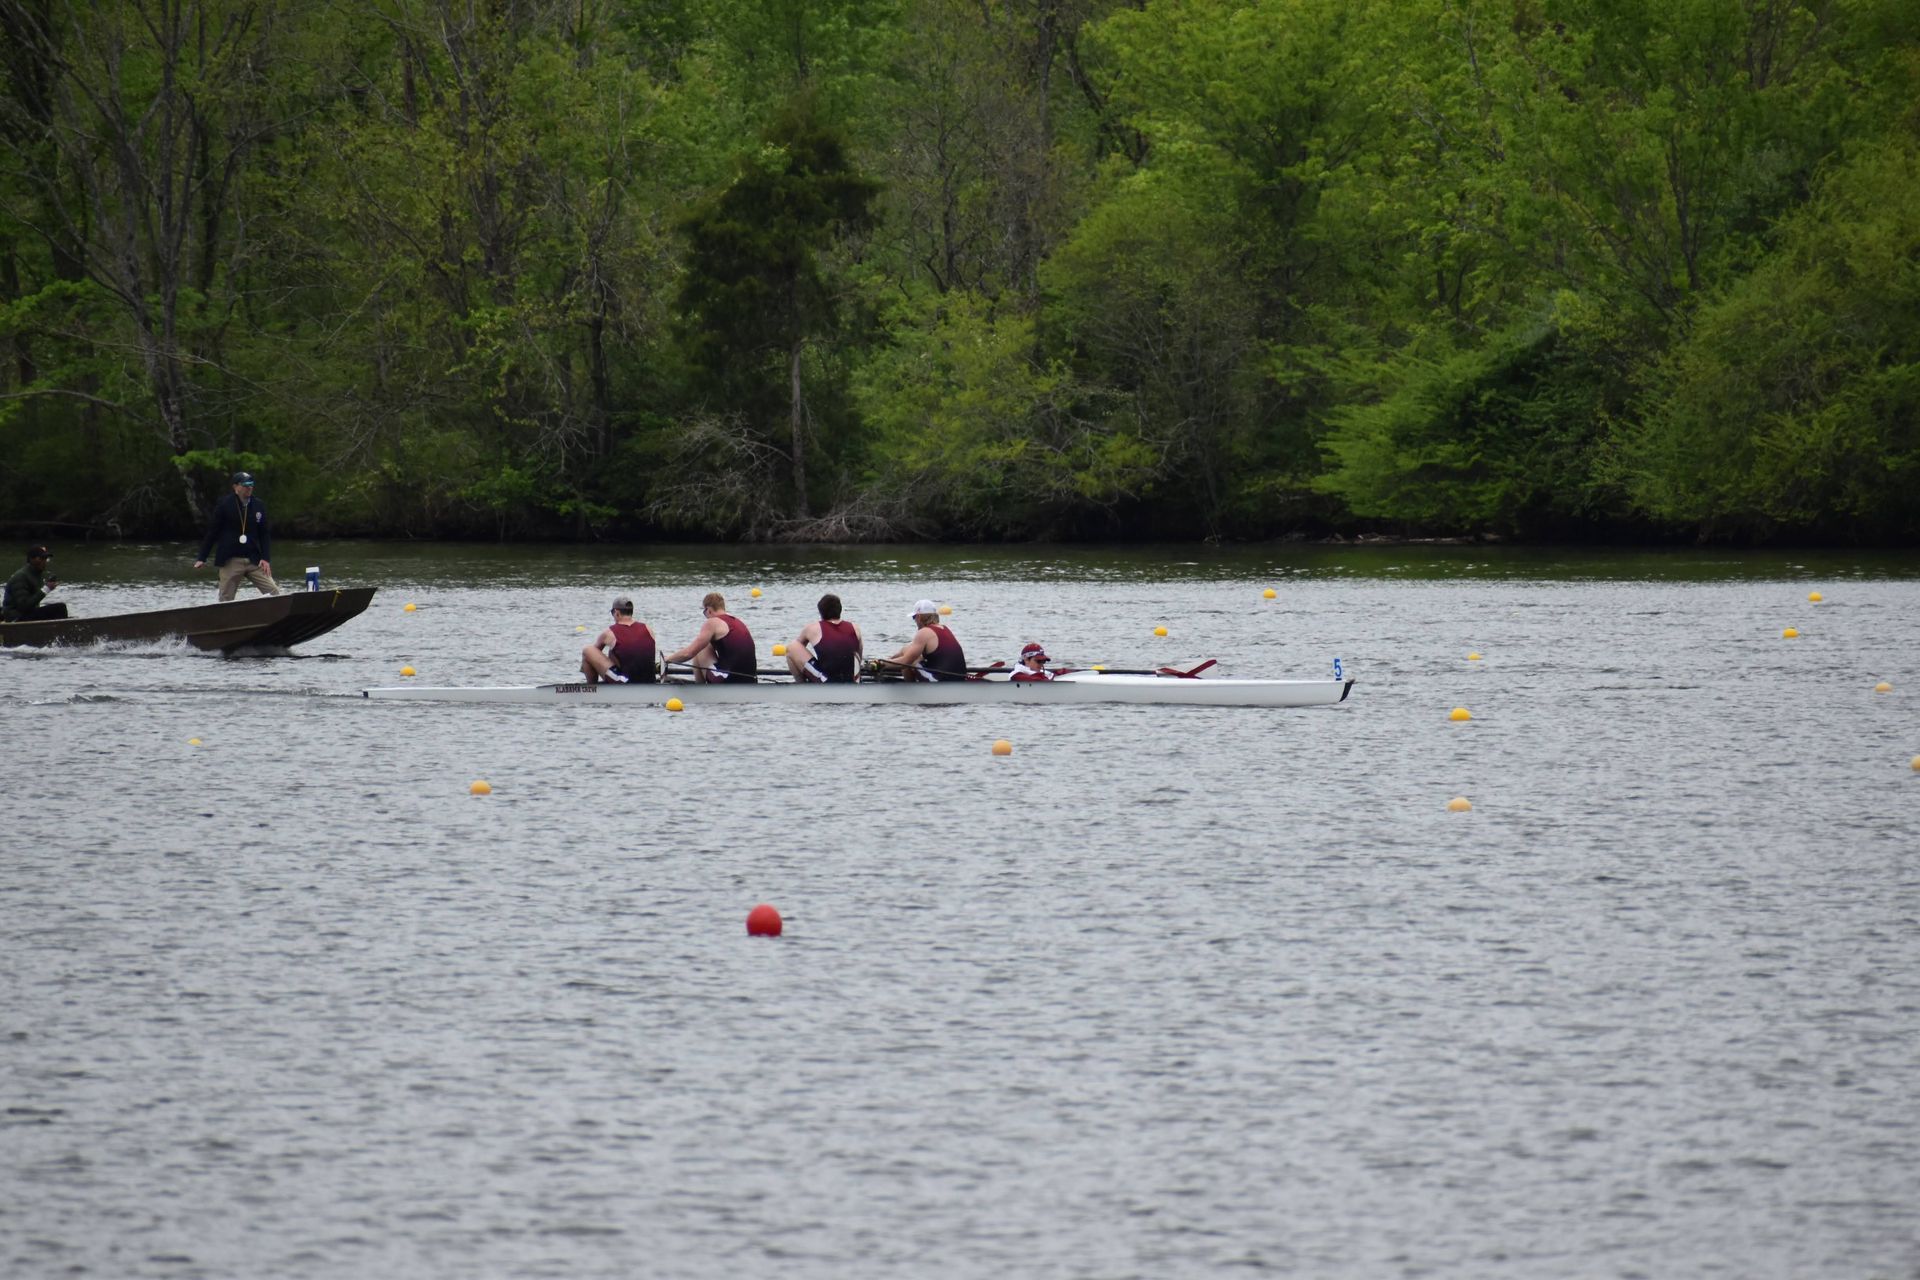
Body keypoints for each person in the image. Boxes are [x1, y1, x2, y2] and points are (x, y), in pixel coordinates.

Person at [193, 471, 279, 600]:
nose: (249, 487)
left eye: (251, 484)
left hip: (254, 560)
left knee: (274, 593)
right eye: (245, 485)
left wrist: (266, 558)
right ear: (236, 487)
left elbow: (264, 534)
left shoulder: (258, 505)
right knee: (225, 598)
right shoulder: (224, 504)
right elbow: (213, 532)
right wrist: (202, 557)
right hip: (230, 560)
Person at [660, 591, 758, 682]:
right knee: (705, 645)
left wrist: (666, 660)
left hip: (729, 680)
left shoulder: (712, 622)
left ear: (709, 610)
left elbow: (688, 653)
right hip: (751, 680)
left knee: (700, 649)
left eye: (704, 612)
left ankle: (700, 692)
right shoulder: (737, 622)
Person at [789, 593, 864, 683]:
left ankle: (801, 686)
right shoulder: (855, 628)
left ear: (821, 612)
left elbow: (799, 651)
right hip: (852, 681)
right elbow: (858, 658)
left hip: (827, 682)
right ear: (840, 610)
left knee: (791, 648)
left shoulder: (812, 628)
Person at [884, 598, 966, 680]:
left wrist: (881, 664)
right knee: (907, 650)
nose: (915, 621)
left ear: (919, 617)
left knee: (910, 661)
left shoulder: (924, 632)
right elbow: (906, 650)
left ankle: (909, 689)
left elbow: (905, 662)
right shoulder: (944, 628)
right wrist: (888, 661)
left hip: (940, 682)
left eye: (914, 617)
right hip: (960, 679)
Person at [581, 597, 657, 684]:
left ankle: (592, 690)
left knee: (588, 650)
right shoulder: (648, 628)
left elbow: (591, 657)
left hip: (625, 683)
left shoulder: (609, 633)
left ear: (617, 613)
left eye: (612, 613)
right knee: (614, 651)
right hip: (650, 681)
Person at [3, 545, 66, 622]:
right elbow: (23, 606)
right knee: (60, 608)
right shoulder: (21, 577)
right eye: (41, 558)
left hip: (26, 614)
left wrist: (46, 586)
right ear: (31, 559)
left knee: (56, 610)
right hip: (16, 617)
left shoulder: (36, 575)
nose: (44, 561)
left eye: (46, 559)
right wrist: (46, 589)